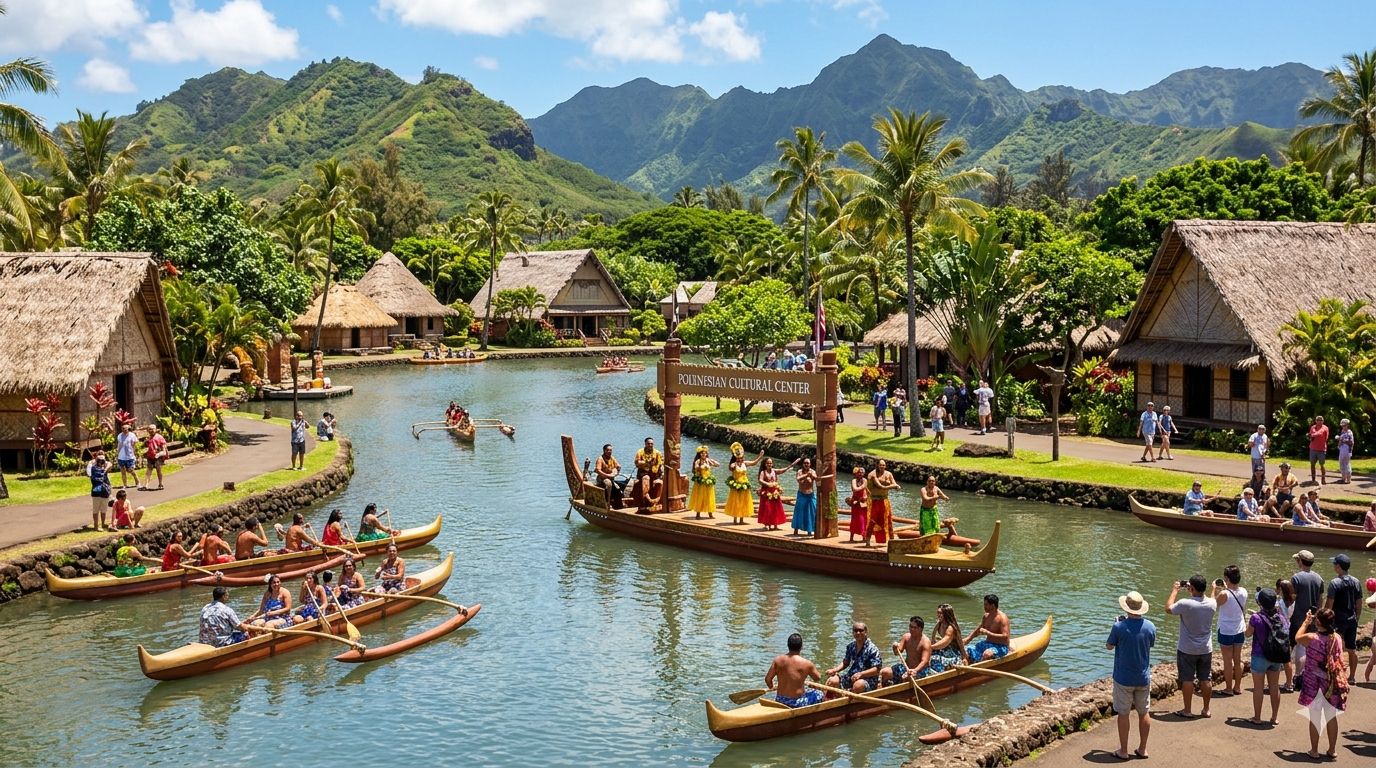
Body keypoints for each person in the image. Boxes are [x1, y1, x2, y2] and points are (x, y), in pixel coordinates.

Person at [1107, 590, 1156, 760]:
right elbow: (1151, 644)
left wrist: (1116, 625)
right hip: (1143, 677)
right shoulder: (1150, 626)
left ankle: (1123, 750)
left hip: (1123, 678)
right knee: (1144, 712)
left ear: (1127, 608)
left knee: (1124, 713)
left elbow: (1109, 646)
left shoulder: (1119, 627)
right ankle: (1143, 749)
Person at [1295, 608, 1348, 760]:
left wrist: (1306, 622)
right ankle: (1332, 750)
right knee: (1331, 716)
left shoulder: (1312, 638)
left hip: (1314, 682)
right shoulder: (1337, 637)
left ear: (1318, 621)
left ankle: (1314, 751)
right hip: (1332, 681)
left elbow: (1297, 637)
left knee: (1315, 717)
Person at [1166, 574, 1216, 718]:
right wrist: (1205, 590)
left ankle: (1187, 710)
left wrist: (1175, 590)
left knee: (1187, 679)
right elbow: (1210, 598)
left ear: (1191, 588)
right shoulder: (1212, 604)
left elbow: (1168, 609)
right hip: (1205, 648)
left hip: (1187, 648)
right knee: (1205, 678)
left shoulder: (1185, 604)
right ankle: (1206, 709)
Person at [1245, 587, 1289, 725]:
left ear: (1260, 603)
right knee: (1274, 687)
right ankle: (1274, 717)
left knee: (1258, 687)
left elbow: (1248, 634)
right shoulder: (1281, 617)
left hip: (1259, 655)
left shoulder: (1256, 618)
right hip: (1276, 656)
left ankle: (1257, 718)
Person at [1323, 553, 1362, 684]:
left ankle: (1335, 675)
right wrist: (1357, 617)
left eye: (1334, 564)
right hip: (1352, 619)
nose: (1334, 566)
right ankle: (1352, 677)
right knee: (1351, 649)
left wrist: (1324, 619)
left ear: (1338, 566)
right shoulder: (1356, 582)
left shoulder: (1335, 583)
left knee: (1335, 648)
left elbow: (1329, 604)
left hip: (1338, 620)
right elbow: (1359, 602)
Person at [1213, 565, 1248, 696]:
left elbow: (1212, 605)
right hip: (1239, 629)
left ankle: (1228, 688)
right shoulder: (1244, 591)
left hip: (1226, 630)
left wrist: (1213, 589)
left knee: (1228, 661)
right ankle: (1237, 687)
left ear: (1226, 578)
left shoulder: (1224, 594)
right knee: (1237, 660)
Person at [1289, 551, 1326, 672]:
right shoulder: (1319, 578)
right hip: (1313, 617)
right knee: (1309, 646)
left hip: (1298, 616)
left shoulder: (1296, 578)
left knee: (1293, 645)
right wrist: (1317, 616)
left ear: (1300, 561)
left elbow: (1292, 598)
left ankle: (1296, 675)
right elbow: (1321, 599)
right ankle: (1308, 672)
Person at [766, 633, 824, 708]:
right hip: (796, 703)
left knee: (806, 687)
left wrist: (772, 686)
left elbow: (768, 680)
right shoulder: (806, 663)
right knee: (819, 694)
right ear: (801, 647)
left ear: (788, 646)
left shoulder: (777, 660)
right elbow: (817, 678)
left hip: (780, 700)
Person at [824, 622, 883, 693]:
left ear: (866, 632)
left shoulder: (872, 649)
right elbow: (845, 662)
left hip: (867, 680)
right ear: (853, 633)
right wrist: (834, 670)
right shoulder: (851, 646)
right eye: (855, 630)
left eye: (860, 630)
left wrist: (861, 674)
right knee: (832, 681)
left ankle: (850, 696)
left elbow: (876, 670)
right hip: (852, 677)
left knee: (858, 685)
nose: (858, 633)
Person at [883, 615, 933, 685]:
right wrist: (894, 647)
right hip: (906, 667)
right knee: (885, 672)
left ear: (920, 629)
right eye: (910, 627)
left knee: (906, 678)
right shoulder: (906, 637)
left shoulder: (926, 642)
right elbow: (897, 653)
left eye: (914, 627)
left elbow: (924, 661)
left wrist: (915, 671)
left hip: (920, 670)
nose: (911, 629)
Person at [723, 444, 764, 525]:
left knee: (743, 502)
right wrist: (733, 464)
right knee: (736, 501)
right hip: (736, 486)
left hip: (744, 485)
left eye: (741, 458)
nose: (740, 459)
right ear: (736, 458)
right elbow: (731, 467)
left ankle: (741, 519)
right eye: (738, 458)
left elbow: (754, 463)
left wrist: (760, 456)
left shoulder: (745, 463)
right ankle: (735, 519)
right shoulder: (734, 464)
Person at [863, 460, 900, 547]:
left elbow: (894, 483)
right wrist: (893, 486)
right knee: (872, 520)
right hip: (874, 501)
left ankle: (891, 540)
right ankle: (867, 539)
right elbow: (881, 486)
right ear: (877, 465)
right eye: (880, 465)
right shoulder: (872, 474)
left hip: (884, 500)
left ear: (885, 466)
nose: (882, 467)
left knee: (887, 519)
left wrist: (893, 485)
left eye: (883, 465)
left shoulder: (889, 474)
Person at [964, 594, 1011, 660]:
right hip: (987, 643)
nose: (984, 606)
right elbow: (978, 630)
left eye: (986, 605)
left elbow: (1005, 635)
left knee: (987, 654)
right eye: (984, 604)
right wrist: (968, 639)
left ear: (992, 606)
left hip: (1001, 646)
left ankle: (979, 667)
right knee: (967, 650)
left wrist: (988, 633)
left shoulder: (1002, 618)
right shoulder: (986, 616)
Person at [755, 457, 794, 532]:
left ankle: (775, 524)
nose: (769, 464)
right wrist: (767, 484)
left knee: (775, 508)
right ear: (765, 464)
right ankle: (767, 524)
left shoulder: (774, 471)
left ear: (772, 464)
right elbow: (760, 480)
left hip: (774, 491)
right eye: (768, 463)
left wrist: (790, 466)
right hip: (766, 491)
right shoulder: (763, 472)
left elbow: (782, 470)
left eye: (770, 463)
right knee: (767, 508)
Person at [928, 604, 969, 674]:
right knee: (926, 655)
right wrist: (932, 643)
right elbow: (933, 633)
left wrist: (930, 647)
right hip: (943, 650)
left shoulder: (950, 628)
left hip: (953, 653)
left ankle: (937, 673)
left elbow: (944, 642)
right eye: (938, 613)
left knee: (933, 658)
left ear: (946, 614)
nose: (938, 615)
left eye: (940, 613)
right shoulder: (940, 623)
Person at [1275, 579, 1299, 692]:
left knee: (1282, 659)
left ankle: (1285, 683)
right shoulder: (1294, 601)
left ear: (1281, 590)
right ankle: (1289, 682)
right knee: (1287, 658)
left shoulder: (1278, 603)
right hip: (1289, 627)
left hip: (1280, 630)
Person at [687, 446, 720, 520]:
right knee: (700, 497)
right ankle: (698, 513)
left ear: (707, 454)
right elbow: (695, 468)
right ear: (699, 454)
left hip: (707, 481)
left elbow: (717, 464)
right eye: (702, 453)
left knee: (708, 497)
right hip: (700, 482)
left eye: (705, 453)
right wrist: (697, 467)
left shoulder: (708, 460)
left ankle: (710, 513)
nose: (703, 454)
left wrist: (714, 463)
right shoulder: (698, 461)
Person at [633, 437, 665, 511]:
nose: (650, 445)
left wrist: (661, 471)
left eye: (651, 444)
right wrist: (645, 463)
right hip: (643, 474)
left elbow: (661, 463)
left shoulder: (657, 453)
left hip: (655, 474)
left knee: (660, 482)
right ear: (645, 444)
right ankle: (645, 502)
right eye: (648, 444)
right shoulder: (640, 452)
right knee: (646, 478)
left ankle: (656, 502)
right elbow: (637, 463)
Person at [791, 458, 819, 536]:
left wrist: (813, 476)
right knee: (799, 512)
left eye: (808, 463)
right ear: (803, 464)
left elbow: (817, 478)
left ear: (810, 464)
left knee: (811, 512)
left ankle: (809, 531)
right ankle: (796, 530)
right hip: (801, 494)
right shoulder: (799, 472)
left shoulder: (813, 471)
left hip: (810, 495)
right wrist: (806, 475)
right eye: (805, 463)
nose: (806, 464)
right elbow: (798, 479)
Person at [594, 444, 626, 508]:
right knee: (608, 484)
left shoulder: (612, 458)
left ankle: (618, 506)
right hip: (602, 479)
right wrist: (607, 475)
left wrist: (616, 473)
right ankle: (607, 502)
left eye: (610, 450)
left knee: (617, 488)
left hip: (611, 479)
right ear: (604, 451)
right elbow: (598, 470)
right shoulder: (600, 459)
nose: (609, 452)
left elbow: (618, 467)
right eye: (607, 450)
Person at [139, 425, 167, 491]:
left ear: (156, 429)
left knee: (158, 470)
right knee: (149, 470)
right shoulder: (149, 438)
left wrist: (159, 454)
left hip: (158, 457)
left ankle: (160, 484)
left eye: (152, 429)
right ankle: (145, 486)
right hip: (150, 456)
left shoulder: (159, 437)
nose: (151, 431)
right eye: (150, 429)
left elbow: (164, 449)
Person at [89, 453, 111, 532]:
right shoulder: (102, 469)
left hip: (97, 491)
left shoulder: (93, 468)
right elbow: (110, 464)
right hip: (103, 491)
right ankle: (100, 524)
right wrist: (105, 470)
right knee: (101, 509)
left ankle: (99, 525)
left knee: (98, 509)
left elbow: (110, 464)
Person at [845, 466, 868, 543]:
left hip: (863, 503)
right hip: (855, 503)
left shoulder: (865, 480)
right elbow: (854, 489)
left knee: (864, 519)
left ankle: (864, 537)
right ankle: (851, 537)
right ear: (856, 473)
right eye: (859, 472)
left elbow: (867, 491)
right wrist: (863, 486)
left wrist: (866, 496)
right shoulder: (854, 480)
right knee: (855, 519)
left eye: (862, 473)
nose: (860, 474)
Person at [115, 422, 139, 489]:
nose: (124, 429)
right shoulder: (120, 435)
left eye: (126, 428)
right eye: (123, 428)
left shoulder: (132, 435)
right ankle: (125, 484)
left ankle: (137, 482)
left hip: (129, 456)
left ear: (128, 428)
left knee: (131, 470)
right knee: (123, 471)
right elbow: (119, 444)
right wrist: (118, 452)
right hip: (121, 456)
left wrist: (132, 449)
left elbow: (135, 442)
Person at [1307, 415, 1329, 484]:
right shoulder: (1313, 427)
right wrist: (1311, 435)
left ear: (1323, 421)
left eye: (1321, 420)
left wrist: (1312, 435)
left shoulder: (1325, 428)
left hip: (1321, 449)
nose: (1319, 421)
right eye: (1318, 420)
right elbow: (1311, 433)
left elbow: (1320, 433)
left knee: (1322, 465)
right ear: (1315, 421)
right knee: (1312, 464)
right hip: (1313, 448)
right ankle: (1313, 479)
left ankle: (1323, 479)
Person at [1336, 418, 1354, 484]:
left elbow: (1351, 442)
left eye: (1344, 425)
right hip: (1342, 450)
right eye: (1342, 425)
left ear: (1347, 425)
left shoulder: (1349, 432)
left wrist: (1341, 439)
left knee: (1346, 464)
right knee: (1341, 463)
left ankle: (1348, 479)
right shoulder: (1342, 431)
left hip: (1347, 450)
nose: (1343, 427)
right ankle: (1343, 478)